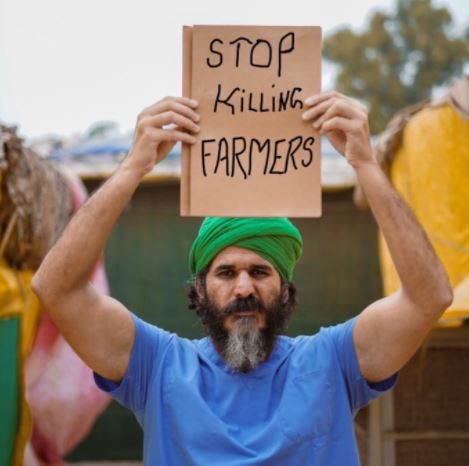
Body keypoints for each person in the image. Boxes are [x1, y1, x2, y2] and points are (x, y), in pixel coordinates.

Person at [32, 92, 453, 465]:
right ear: (200, 288)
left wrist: (365, 164)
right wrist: (131, 169)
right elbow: (55, 288)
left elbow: (428, 297)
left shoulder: (333, 361)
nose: (244, 287)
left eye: (260, 271)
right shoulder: (157, 367)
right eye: (226, 272)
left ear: (285, 288)